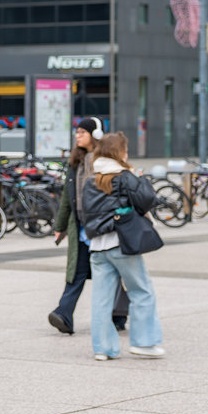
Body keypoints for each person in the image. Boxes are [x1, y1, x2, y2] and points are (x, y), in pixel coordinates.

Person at [80, 132, 166, 361]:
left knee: (101, 300)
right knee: (141, 291)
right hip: (121, 243)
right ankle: (144, 343)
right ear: (118, 152)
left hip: (97, 246)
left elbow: (85, 213)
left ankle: (103, 349)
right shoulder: (124, 176)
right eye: (125, 150)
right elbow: (148, 200)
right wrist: (140, 179)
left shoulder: (91, 179)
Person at [48, 118, 128, 337]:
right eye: (77, 132)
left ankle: (118, 314)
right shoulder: (76, 161)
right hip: (81, 228)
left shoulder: (104, 160)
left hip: (103, 226)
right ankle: (63, 313)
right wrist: (60, 225)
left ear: (95, 134)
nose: (78, 136)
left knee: (112, 271)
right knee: (77, 271)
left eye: (82, 132)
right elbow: (68, 197)